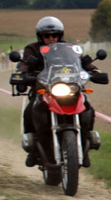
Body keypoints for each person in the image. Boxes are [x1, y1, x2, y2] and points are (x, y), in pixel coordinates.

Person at [18, 16, 100, 167]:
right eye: (46, 35)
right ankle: (33, 150)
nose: (51, 38)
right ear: (40, 36)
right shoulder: (33, 49)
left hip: (70, 88)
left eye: (54, 35)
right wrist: (22, 74)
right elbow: (24, 64)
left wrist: (94, 71)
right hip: (43, 90)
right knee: (29, 111)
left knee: (88, 109)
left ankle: (85, 146)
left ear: (59, 35)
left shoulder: (69, 49)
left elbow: (83, 62)